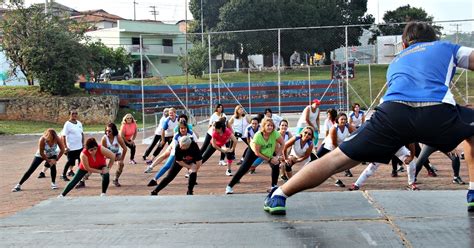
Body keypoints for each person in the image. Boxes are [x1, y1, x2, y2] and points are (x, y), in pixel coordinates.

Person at [264, 22, 474, 215]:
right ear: (434, 40)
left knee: (337, 160)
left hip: (393, 114)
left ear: (403, 44)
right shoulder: (446, 48)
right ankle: (473, 192)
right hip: (436, 112)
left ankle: (279, 195)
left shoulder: (397, 61)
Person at [225, 117, 284, 194]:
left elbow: (283, 144)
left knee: (276, 164)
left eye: (271, 126)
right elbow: (257, 153)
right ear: (264, 126)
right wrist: (269, 159)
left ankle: (274, 186)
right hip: (254, 151)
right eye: (268, 125)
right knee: (244, 168)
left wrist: (277, 157)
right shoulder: (258, 136)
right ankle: (229, 186)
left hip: (268, 151)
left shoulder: (275, 133)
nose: (270, 127)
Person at [146, 120, 198, 186]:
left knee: (193, 165)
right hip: (176, 153)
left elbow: (195, 143)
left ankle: (192, 180)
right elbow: (176, 148)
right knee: (167, 166)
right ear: (179, 129)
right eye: (181, 128)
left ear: (187, 128)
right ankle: (154, 179)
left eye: (185, 128)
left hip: (188, 153)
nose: (183, 129)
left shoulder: (191, 133)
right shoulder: (176, 136)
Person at [349, 145, 418, 191]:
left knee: (411, 162)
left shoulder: (403, 127)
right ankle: (357, 184)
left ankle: (411, 184)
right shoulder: (382, 127)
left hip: (398, 146)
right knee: (372, 166)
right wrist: (371, 155)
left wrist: (411, 157)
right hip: (384, 147)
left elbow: (411, 143)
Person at [315, 112, 355, 187]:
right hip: (328, 146)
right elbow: (334, 143)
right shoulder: (334, 128)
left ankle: (347, 170)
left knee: (345, 159)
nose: (343, 121)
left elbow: (355, 134)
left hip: (341, 145)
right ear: (337, 120)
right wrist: (340, 151)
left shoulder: (348, 126)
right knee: (315, 159)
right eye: (342, 119)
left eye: (345, 119)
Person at [101, 123, 128, 187]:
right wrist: (109, 158)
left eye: (109, 131)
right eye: (106, 131)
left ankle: (115, 179)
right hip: (107, 154)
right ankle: (83, 179)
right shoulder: (104, 139)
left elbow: (125, 148)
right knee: (97, 164)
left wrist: (122, 159)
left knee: (121, 164)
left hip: (117, 154)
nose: (107, 132)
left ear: (113, 131)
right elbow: (102, 151)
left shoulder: (117, 137)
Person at [60, 109, 84, 181]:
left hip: (79, 147)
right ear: (70, 115)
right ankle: (63, 174)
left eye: (76, 113)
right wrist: (65, 147)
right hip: (71, 147)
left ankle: (80, 175)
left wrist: (83, 143)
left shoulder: (79, 123)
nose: (75, 115)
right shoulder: (67, 124)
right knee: (70, 162)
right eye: (73, 113)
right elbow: (63, 136)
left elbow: (82, 133)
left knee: (81, 161)